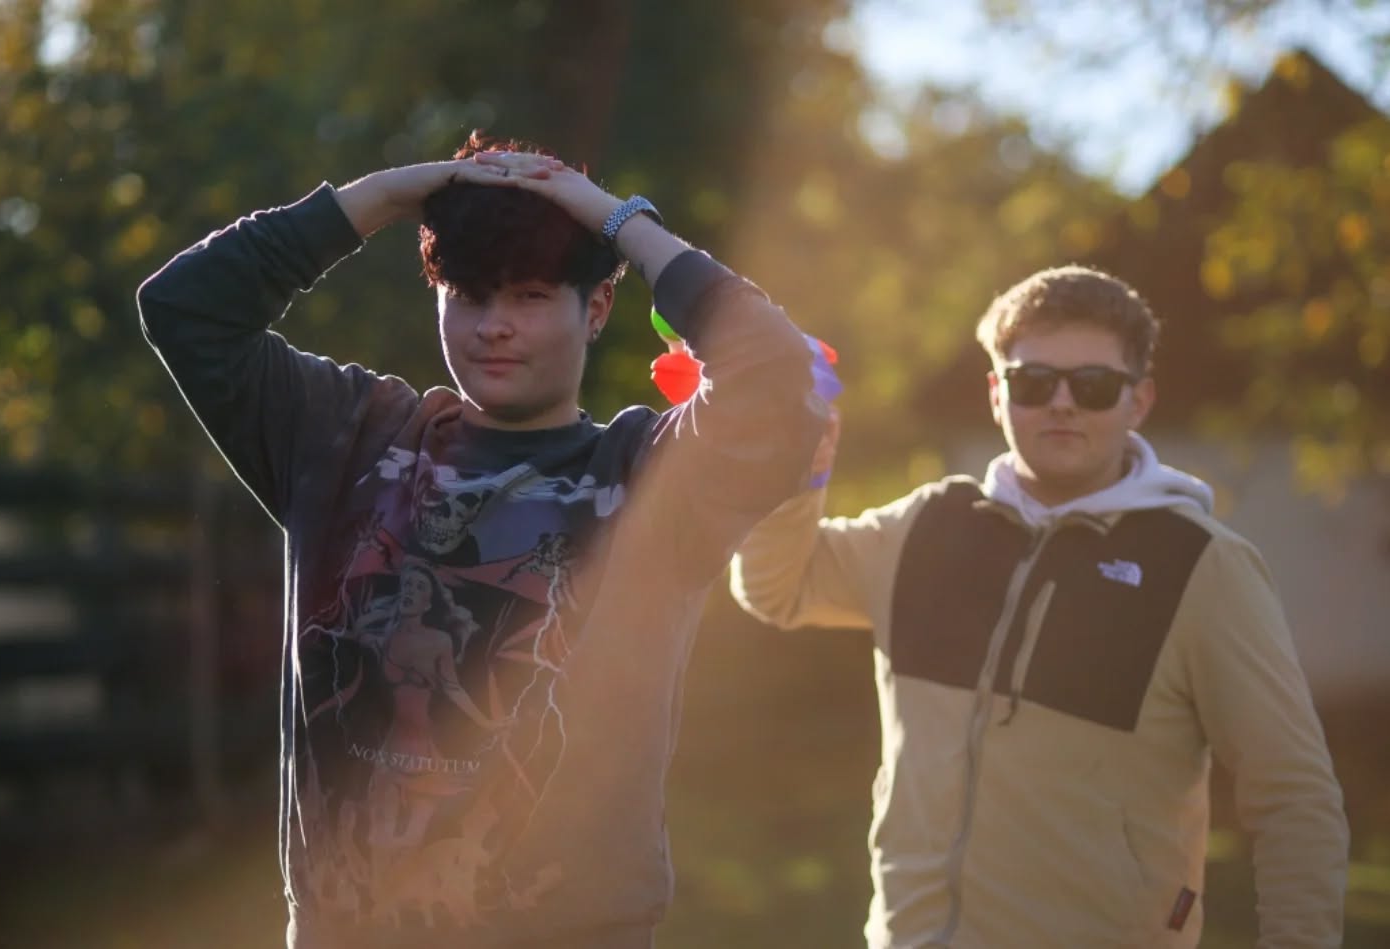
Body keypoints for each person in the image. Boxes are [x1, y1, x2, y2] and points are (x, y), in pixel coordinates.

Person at [138, 132, 825, 948]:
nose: (495, 326)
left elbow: (779, 374)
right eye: (468, 294)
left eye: (530, 295)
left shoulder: (653, 477)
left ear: (596, 308)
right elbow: (186, 306)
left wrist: (617, 220)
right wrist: (392, 194)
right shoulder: (345, 436)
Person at [730, 265, 1349, 948]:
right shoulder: (926, 525)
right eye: (1032, 382)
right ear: (997, 394)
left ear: (1138, 401)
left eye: (1092, 385)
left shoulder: (1205, 567)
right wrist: (796, 470)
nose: (1061, 403)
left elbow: (1294, 796)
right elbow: (776, 585)